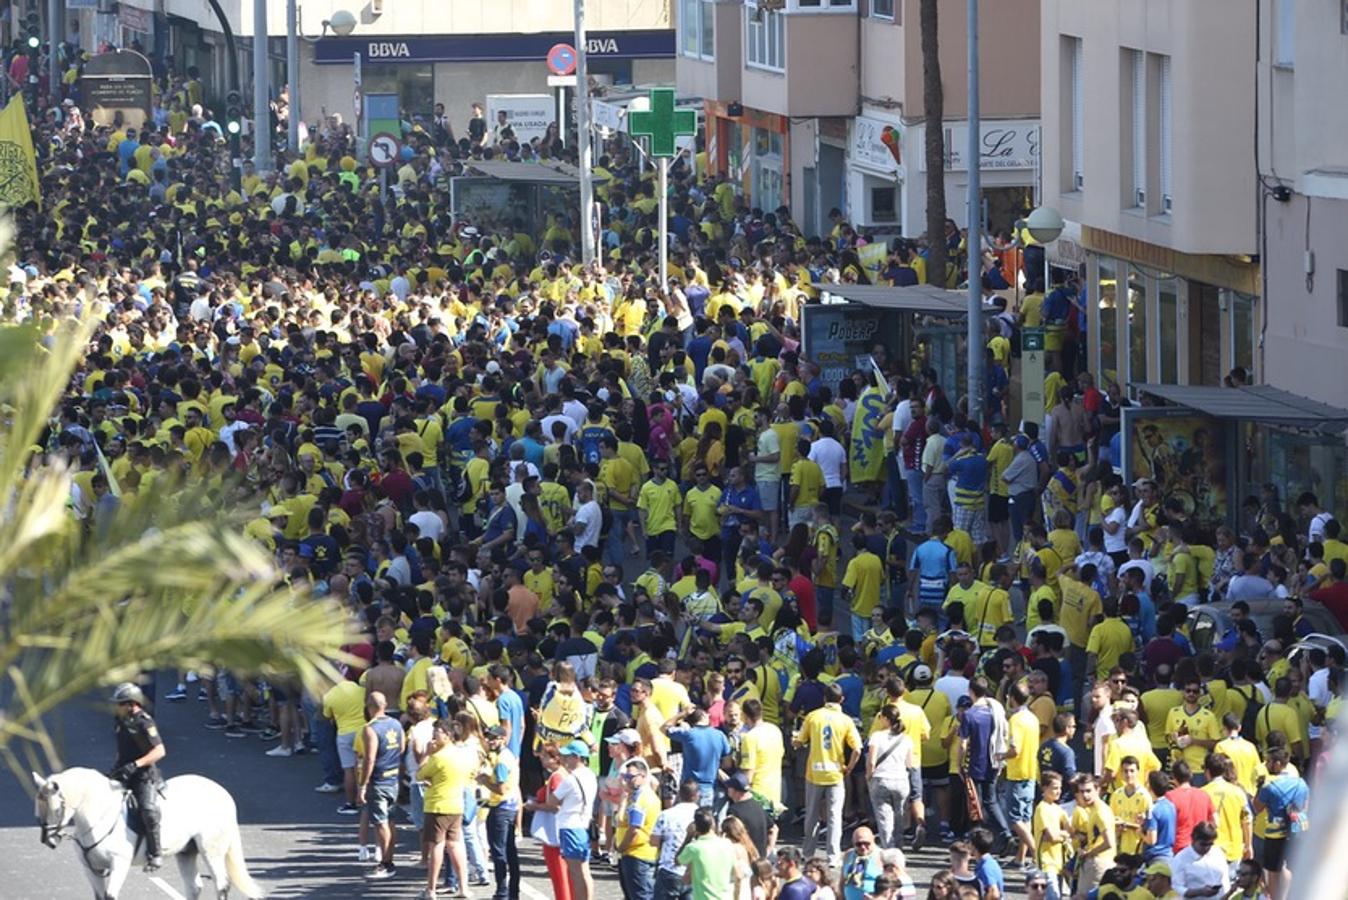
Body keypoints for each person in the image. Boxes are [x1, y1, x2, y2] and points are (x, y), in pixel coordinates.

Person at [795, 681, 862, 866]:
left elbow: (800, 741)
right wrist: (849, 767)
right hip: (835, 774)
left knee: (812, 815)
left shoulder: (813, 716)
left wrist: (796, 742)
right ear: (841, 699)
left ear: (824, 698)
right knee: (834, 816)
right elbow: (857, 749)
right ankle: (833, 856)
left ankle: (808, 853)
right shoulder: (846, 720)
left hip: (814, 773)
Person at [110, 682, 167, 872]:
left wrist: (136, 765)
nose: (116, 707)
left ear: (131, 704)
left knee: (148, 810)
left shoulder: (145, 722)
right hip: (123, 771)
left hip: (143, 775)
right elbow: (121, 749)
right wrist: (115, 768)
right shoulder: (120, 720)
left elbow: (159, 751)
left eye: (119, 704)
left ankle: (155, 852)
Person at [357, 691, 405, 880]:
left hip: (378, 780)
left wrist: (363, 784)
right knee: (391, 821)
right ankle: (389, 858)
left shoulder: (370, 729)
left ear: (369, 706)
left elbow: (369, 758)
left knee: (380, 823)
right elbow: (401, 748)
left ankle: (386, 862)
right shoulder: (396, 723)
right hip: (393, 778)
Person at [478, 725, 522, 900]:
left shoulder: (502, 760)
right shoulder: (507, 755)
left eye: (494, 738)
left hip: (501, 808)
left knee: (499, 852)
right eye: (489, 738)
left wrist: (485, 780)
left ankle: (502, 892)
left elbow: (501, 788)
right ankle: (512, 892)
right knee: (510, 852)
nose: (490, 741)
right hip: (509, 807)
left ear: (503, 739)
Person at [614, 758, 660, 900]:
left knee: (641, 896)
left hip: (637, 854)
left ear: (643, 776)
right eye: (625, 776)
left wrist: (621, 847)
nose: (627, 780)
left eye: (631, 777)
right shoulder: (639, 796)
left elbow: (634, 829)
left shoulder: (640, 799)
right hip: (639, 854)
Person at [677, 807, 737, 900]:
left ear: (696, 827)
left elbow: (678, 860)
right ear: (713, 825)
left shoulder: (694, 848)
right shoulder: (727, 844)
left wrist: (688, 837)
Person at [1171, 821, 1230, 898]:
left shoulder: (1218, 853)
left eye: (1210, 844)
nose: (1207, 848)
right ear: (1193, 840)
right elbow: (1177, 887)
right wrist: (1200, 891)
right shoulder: (1181, 859)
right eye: (1203, 844)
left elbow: (1225, 880)